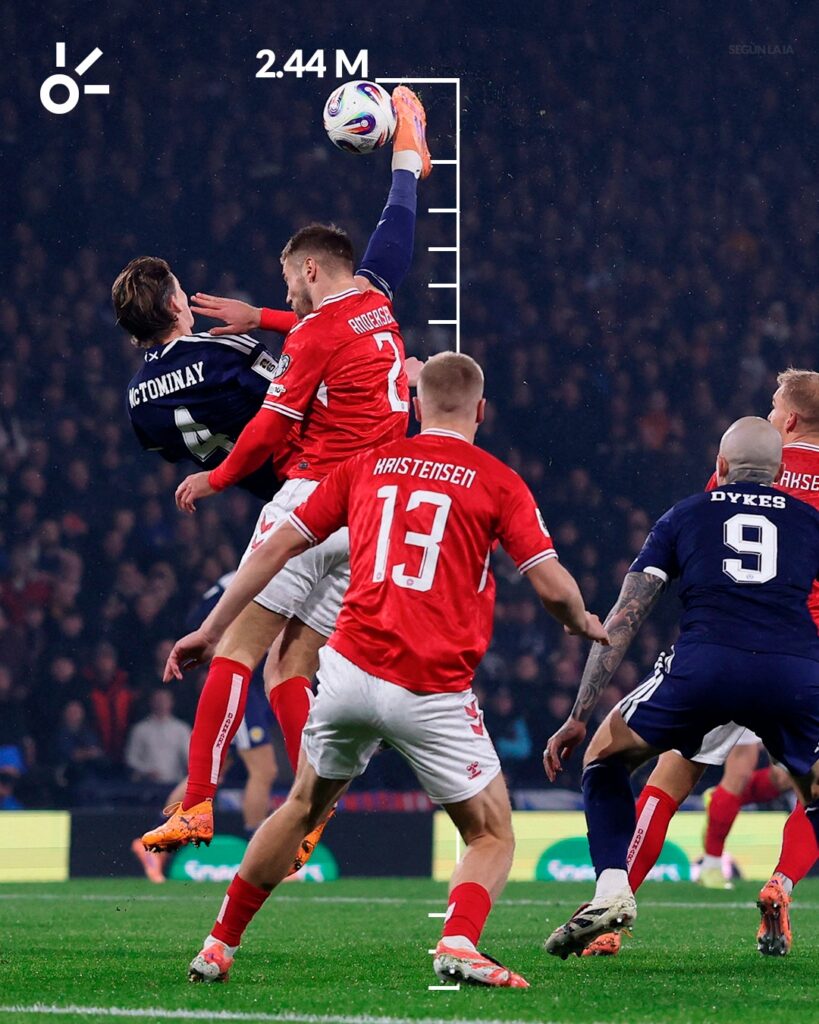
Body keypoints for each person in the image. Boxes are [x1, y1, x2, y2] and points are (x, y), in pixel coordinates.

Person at [162, 352, 607, 986]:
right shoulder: (498, 480)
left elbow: (277, 545)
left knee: (300, 806)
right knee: (491, 834)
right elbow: (552, 587)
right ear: (481, 411)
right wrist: (580, 621)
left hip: (348, 672)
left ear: (416, 405)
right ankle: (458, 941)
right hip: (429, 686)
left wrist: (211, 630)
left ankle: (217, 944)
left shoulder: (365, 465)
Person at [140, 86, 432, 858]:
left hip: (311, 501)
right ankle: (313, 811)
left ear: (307, 268)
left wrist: (215, 479)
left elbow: (270, 426)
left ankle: (196, 804)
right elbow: (394, 231)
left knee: (234, 647)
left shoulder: (312, 337)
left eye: (287, 282)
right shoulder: (375, 305)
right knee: (291, 666)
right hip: (371, 517)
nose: (284, 293)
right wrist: (407, 153)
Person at [543, 417, 819, 959]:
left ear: (720, 466)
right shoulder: (810, 521)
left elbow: (625, 617)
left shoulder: (687, 513)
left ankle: (612, 894)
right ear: (779, 472)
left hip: (706, 667)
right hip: (791, 672)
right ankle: (782, 881)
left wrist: (579, 714)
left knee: (609, 758)